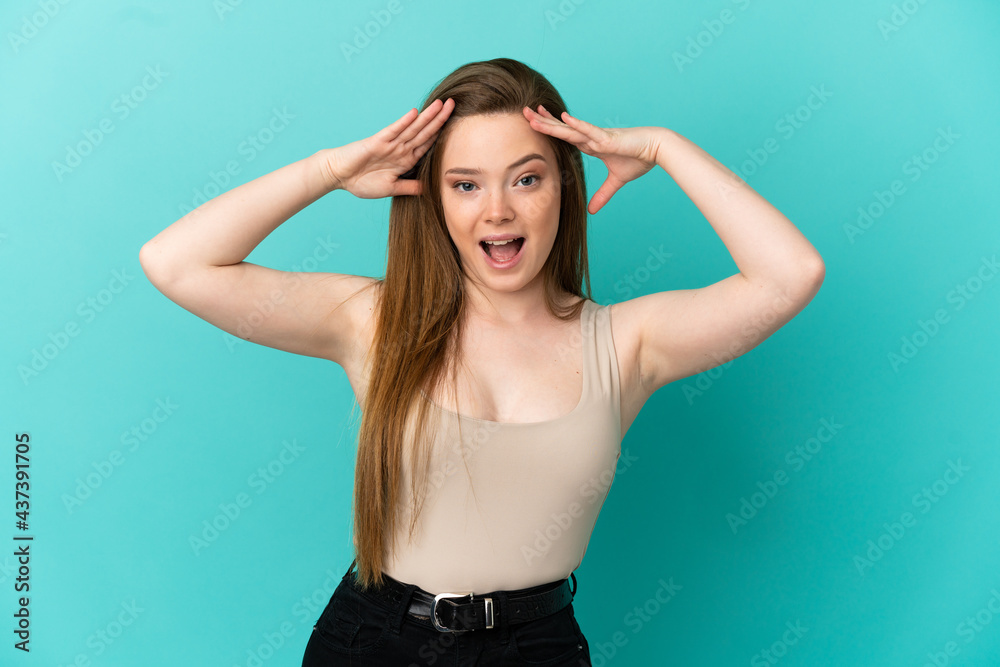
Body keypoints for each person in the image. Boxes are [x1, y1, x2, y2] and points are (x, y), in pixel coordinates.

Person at [139, 57, 824, 666]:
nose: (498, 210)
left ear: (563, 184)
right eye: (465, 185)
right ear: (432, 199)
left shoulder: (627, 342)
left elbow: (790, 274)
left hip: (537, 646)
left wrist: (664, 147)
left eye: (526, 178)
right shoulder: (375, 322)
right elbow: (176, 262)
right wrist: (329, 170)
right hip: (372, 640)